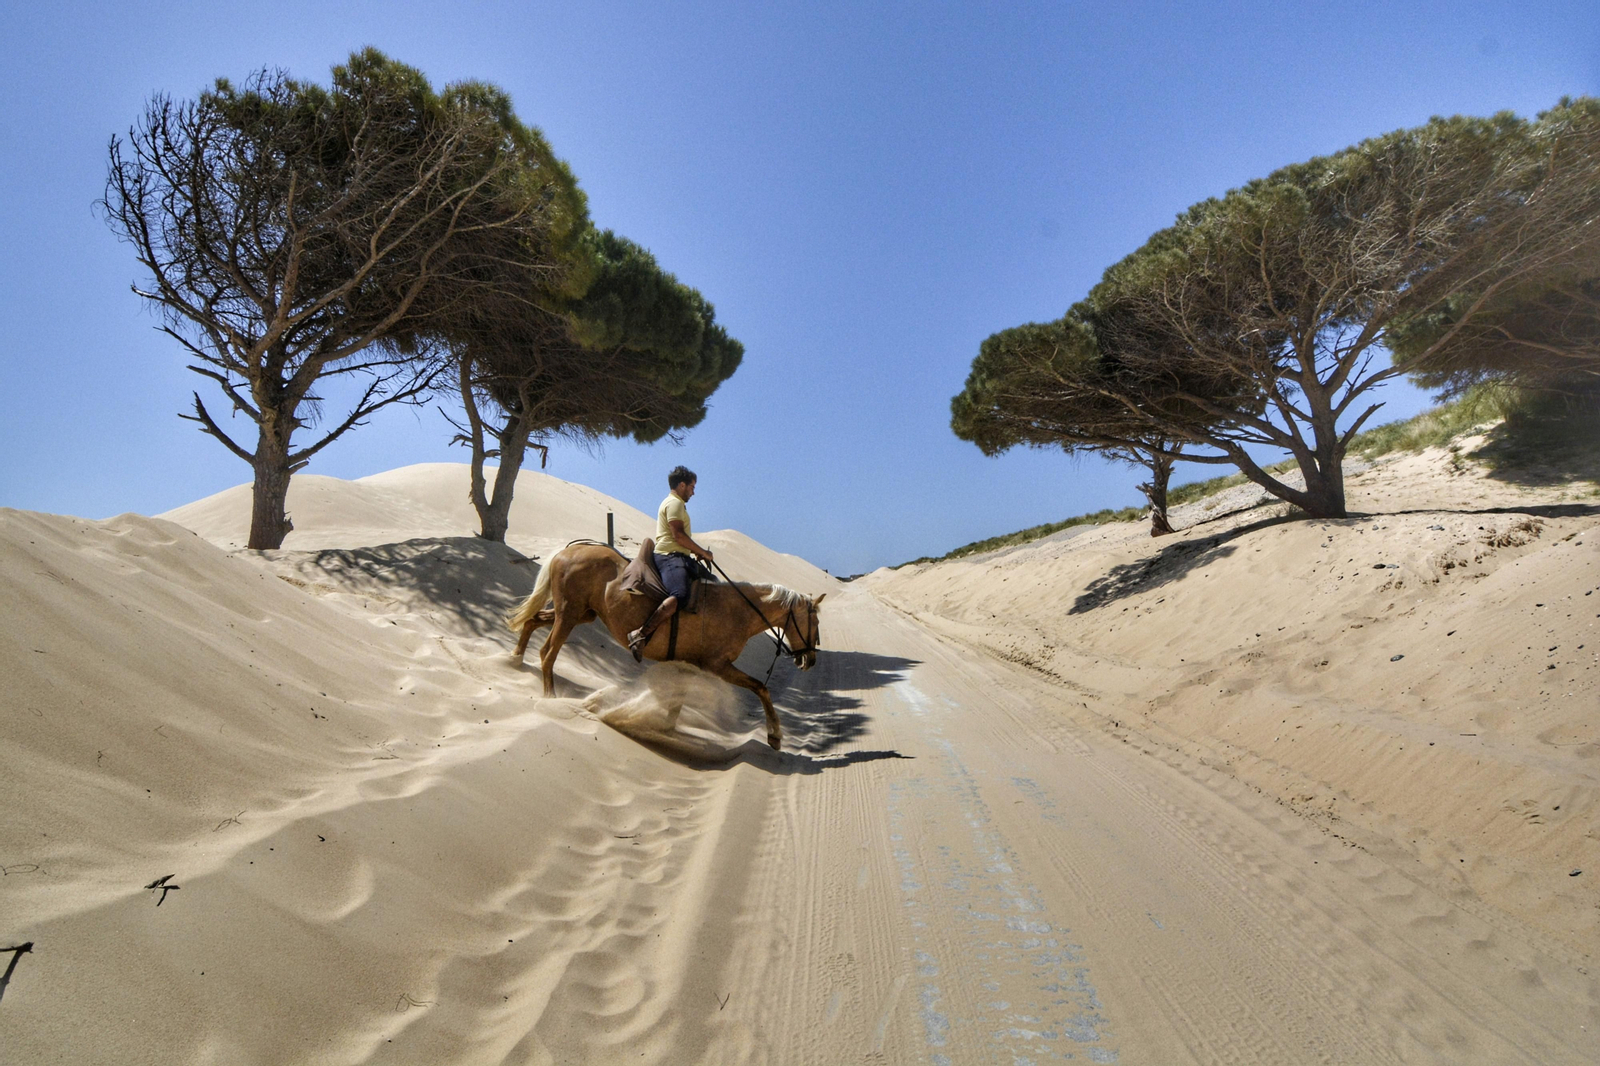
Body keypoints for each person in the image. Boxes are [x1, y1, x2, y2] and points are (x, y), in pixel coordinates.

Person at [628, 465, 715, 659]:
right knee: (680, 594)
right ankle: (641, 634)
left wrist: (695, 553)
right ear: (682, 485)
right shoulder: (674, 503)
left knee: (713, 586)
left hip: (680, 556)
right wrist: (703, 552)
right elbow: (678, 536)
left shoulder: (677, 504)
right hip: (669, 556)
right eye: (692, 487)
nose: (693, 492)